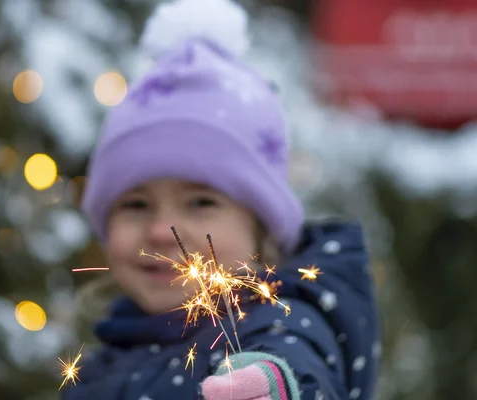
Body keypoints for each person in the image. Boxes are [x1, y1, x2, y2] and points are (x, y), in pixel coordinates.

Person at [63, 0, 380, 398]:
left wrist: (275, 385)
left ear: (261, 226)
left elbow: (298, 358)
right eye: (135, 205)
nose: (161, 232)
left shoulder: (271, 327)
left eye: (200, 203)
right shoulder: (104, 358)